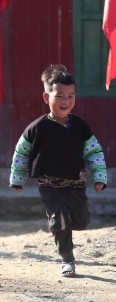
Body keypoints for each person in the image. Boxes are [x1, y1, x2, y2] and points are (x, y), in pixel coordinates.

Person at [9, 64, 107, 278]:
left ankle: (75, 220)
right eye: (60, 95)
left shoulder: (80, 127)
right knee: (59, 219)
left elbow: (94, 152)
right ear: (46, 97)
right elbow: (21, 153)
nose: (66, 101)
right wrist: (18, 179)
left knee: (80, 222)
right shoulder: (37, 128)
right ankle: (67, 260)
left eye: (71, 96)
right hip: (50, 185)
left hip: (76, 185)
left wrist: (99, 177)